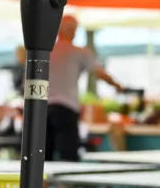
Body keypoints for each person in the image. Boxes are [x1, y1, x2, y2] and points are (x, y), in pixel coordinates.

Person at [47, 15, 123, 161]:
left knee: (43, 156)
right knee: (68, 155)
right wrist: (117, 86)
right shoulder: (80, 52)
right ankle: (66, 185)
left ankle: (41, 185)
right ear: (73, 31)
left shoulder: (47, 51)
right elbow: (98, 73)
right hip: (66, 106)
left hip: (43, 107)